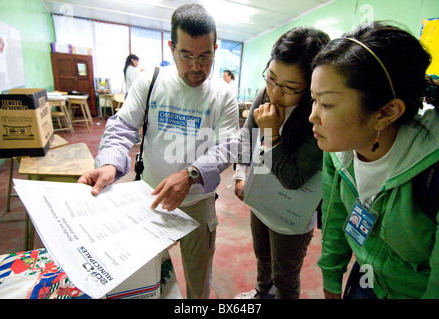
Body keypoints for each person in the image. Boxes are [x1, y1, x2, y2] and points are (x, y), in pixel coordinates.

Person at [78, 4, 239, 299]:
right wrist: (110, 165)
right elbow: (122, 127)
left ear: (216, 49)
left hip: (198, 202)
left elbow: (228, 147)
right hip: (148, 197)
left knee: (198, 281)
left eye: (205, 57)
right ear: (171, 47)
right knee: (147, 278)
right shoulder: (151, 81)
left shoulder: (223, 94)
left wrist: (190, 175)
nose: (196, 67)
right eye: (186, 55)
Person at [309, 21, 439, 299]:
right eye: (314, 100)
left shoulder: (435, 170)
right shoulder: (337, 151)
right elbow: (336, 218)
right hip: (367, 279)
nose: (313, 116)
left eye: (328, 104)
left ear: (387, 112)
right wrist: (331, 276)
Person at [233, 27, 330, 299]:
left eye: (289, 87)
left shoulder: (317, 118)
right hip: (260, 197)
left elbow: (293, 179)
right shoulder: (266, 96)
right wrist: (240, 174)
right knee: (262, 257)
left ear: (312, 88)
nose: (275, 92)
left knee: (285, 275)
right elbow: (246, 134)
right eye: (271, 78)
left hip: (292, 215)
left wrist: (272, 134)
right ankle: (261, 293)